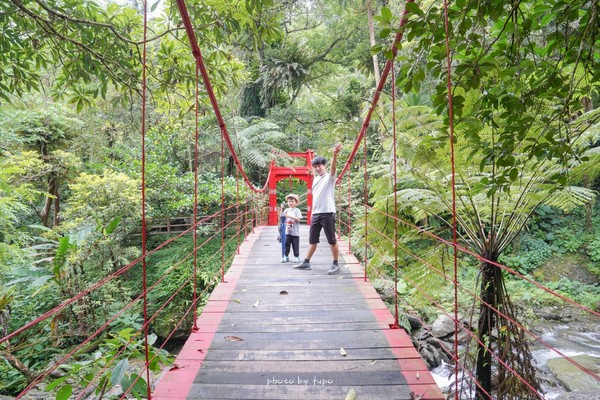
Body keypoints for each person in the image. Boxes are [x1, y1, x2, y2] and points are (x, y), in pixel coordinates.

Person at [294, 143, 342, 274]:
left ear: (324, 166)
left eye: (319, 166)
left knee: (331, 240)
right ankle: (306, 262)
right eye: (315, 167)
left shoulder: (330, 178)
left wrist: (335, 154)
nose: (317, 168)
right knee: (312, 240)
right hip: (316, 214)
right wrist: (312, 214)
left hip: (327, 213)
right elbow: (316, 197)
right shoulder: (315, 179)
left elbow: (333, 169)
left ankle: (336, 264)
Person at [282, 193, 302, 263]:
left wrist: (289, 216)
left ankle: (296, 256)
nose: (290, 203)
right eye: (289, 201)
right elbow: (282, 218)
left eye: (292, 201)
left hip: (295, 231)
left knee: (295, 244)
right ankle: (286, 256)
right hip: (287, 231)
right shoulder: (286, 210)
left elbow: (299, 219)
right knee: (287, 244)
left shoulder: (297, 210)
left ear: (296, 202)